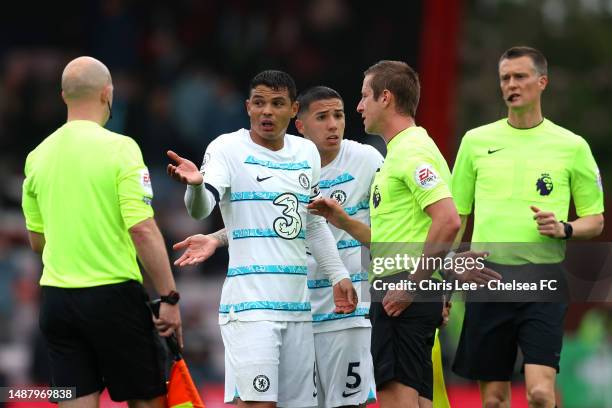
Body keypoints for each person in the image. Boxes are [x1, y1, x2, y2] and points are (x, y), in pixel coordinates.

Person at [308, 61, 499, 408]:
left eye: (365, 96)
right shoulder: (403, 152)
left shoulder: (411, 152)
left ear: (385, 98)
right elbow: (400, 237)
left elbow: (448, 220)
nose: (359, 106)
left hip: (400, 293)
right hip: (408, 289)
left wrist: (415, 284)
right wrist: (344, 221)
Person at [166, 70, 357, 408]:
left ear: (294, 110)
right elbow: (201, 209)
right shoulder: (226, 148)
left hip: (298, 309)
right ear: (248, 107)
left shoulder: (306, 153)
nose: (267, 111)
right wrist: (195, 185)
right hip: (250, 308)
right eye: (259, 103)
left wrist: (338, 274)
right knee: (258, 404)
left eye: (277, 103)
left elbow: (311, 222)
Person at [21, 56, 181, 408]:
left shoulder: (37, 156)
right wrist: (169, 297)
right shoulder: (121, 148)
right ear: (108, 94)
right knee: (147, 401)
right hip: (113, 296)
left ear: (64, 96)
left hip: (57, 301)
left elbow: (37, 242)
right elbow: (142, 229)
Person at [451, 46, 605, 408]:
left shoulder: (572, 146)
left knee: (539, 393)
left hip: (543, 279)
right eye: (505, 78)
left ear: (542, 81)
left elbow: (595, 220)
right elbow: (457, 216)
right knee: (493, 400)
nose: (511, 84)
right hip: (488, 279)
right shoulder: (475, 142)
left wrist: (565, 228)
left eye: (520, 76)